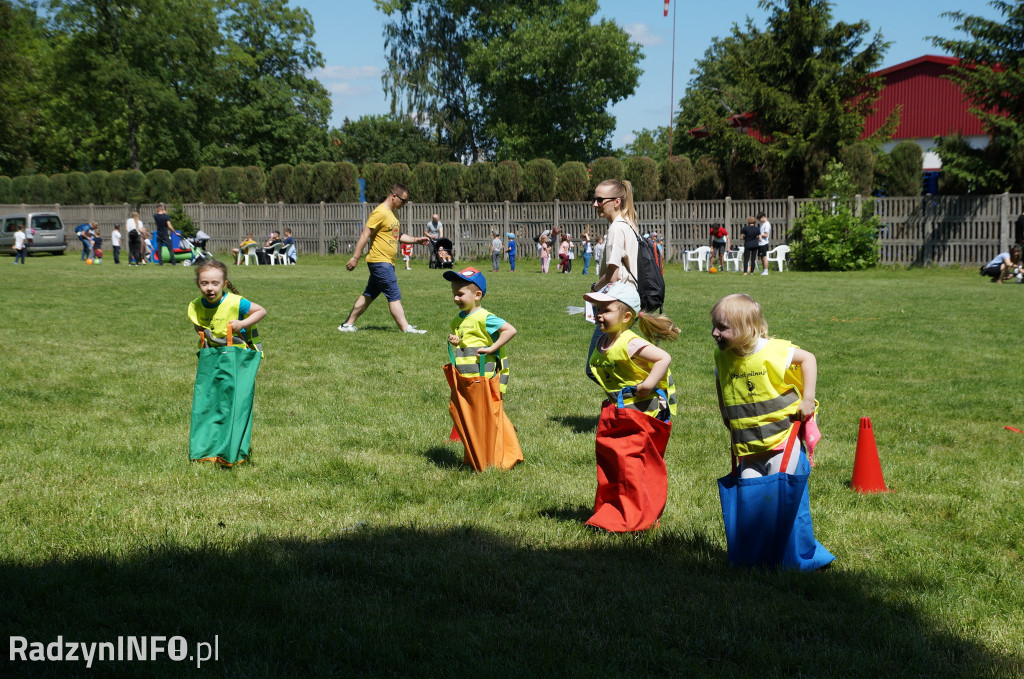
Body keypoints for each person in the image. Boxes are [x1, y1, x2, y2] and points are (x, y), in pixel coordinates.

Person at [710, 293, 833, 570]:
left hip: (782, 441)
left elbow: (808, 359)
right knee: (751, 503)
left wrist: (807, 399)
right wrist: (724, 411)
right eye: (714, 325)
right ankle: (760, 558)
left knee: (784, 502)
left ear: (745, 329)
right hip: (748, 447)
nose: (715, 333)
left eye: (723, 327)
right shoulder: (723, 355)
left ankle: (798, 558)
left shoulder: (773, 350)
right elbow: (721, 382)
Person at [582, 282, 679, 532]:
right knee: (614, 464)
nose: (599, 314)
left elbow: (663, 358)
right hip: (618, 412)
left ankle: (637, 519)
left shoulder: (630, 342)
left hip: (642, 414)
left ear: (626, 316)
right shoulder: (604, 339)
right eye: (597, 308)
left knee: (633, 467)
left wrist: (647, 384)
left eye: (605, 309)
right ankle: (615, 512)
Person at [187, 258, 266, 466]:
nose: (210, 288)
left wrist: (242, 323)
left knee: (233, 404)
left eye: (215, 283)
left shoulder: (235, 302)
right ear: (198, 284)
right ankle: (206, 450)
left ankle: (231, 452)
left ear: (224, 283)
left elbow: (260, 311)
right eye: (204, 283)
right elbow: (199, 328)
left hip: (237, 359)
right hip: (211, 358)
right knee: (209, 403)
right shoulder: (195, 306)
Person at [339, 184, 430, 334]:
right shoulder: (379, 212)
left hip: (387, 261)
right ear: (394, 196)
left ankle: (347, 325)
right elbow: (365, 235)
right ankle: (405, 328)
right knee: (394, 294)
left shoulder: (393, 214)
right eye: (403, 200)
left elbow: (398, 235)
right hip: (379, 261)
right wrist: (355, 257)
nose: (404, 203)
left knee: (369, 294)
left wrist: (416, 240)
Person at [445, 267, 517, 393]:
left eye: (460, 294)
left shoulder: (485, 318)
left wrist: (492, 348)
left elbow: (510, 330)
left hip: (484, 376)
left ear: (477, 295)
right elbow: (466, 341)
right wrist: (457, 341)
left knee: (486, 410)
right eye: (454, 294)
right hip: (465, 375)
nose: (455, 298)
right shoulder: (457, 319)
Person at [757, 212, 772, 276]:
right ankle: (764, 271)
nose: (759, 220)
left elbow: (766, 235)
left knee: (764, 257)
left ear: (763, 217)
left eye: (759, 219)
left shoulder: (767, 224)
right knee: (762, 257)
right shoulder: (763, 224)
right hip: (761, 243)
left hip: (764, 243)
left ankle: (766, 271)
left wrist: (759, 235)